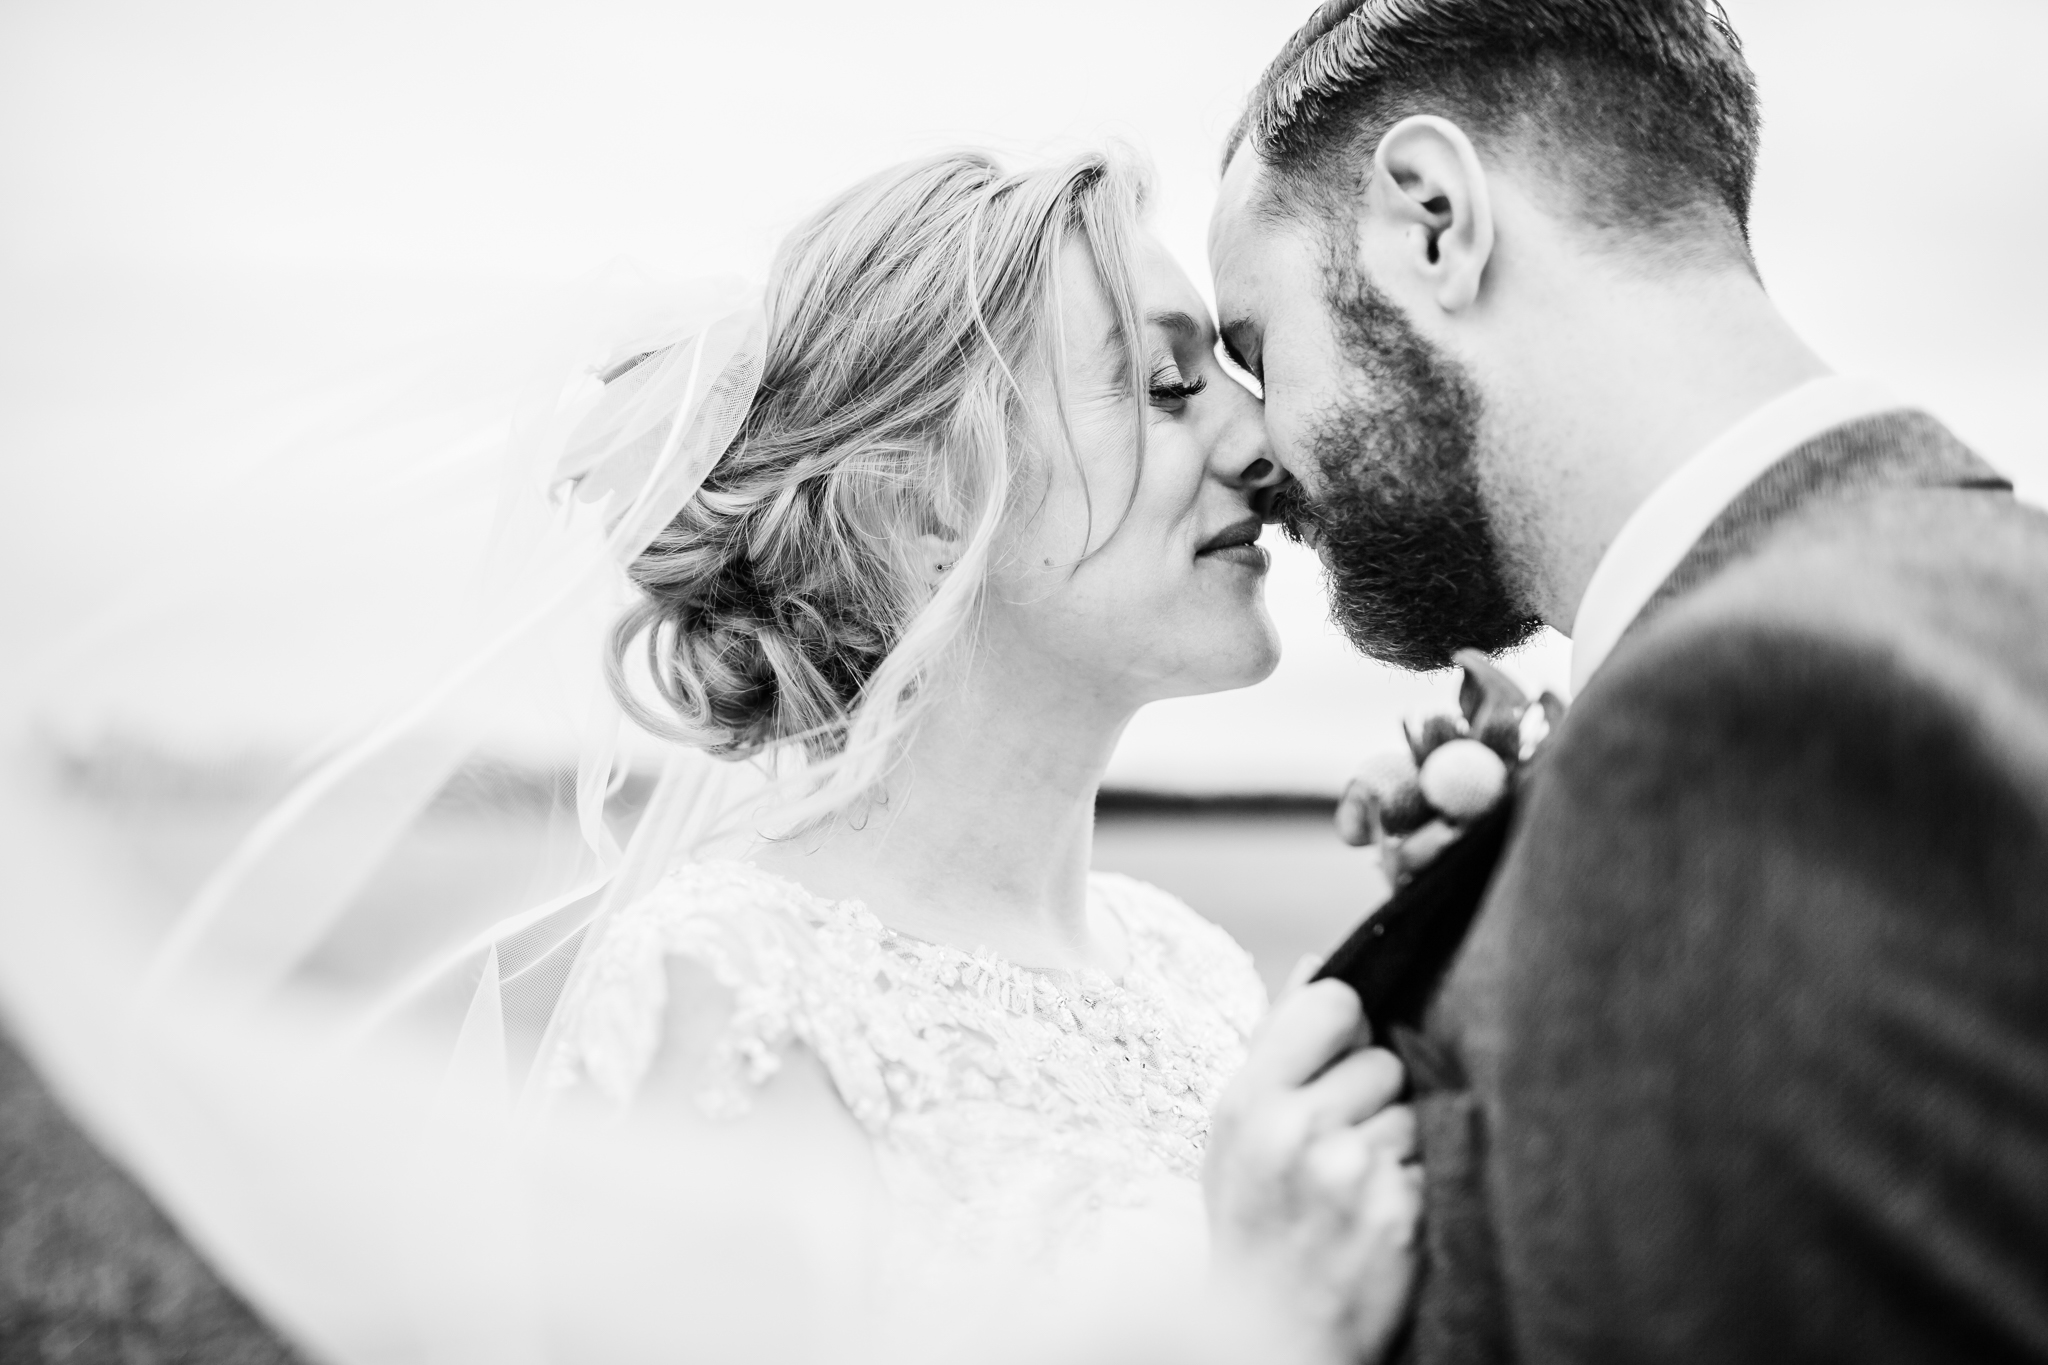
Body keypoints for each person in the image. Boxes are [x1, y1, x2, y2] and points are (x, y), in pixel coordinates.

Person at [1203, 1, 2048, 1361]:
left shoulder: (1742, 726)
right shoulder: (1966, 585)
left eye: (1257, 345)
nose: (1263, 445)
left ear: (1431, 220)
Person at [537, 147, 1424, 1315]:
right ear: (924, 508)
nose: (1264, 448)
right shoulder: (730, 986)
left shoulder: (1191, 968)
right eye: (1165, 387)